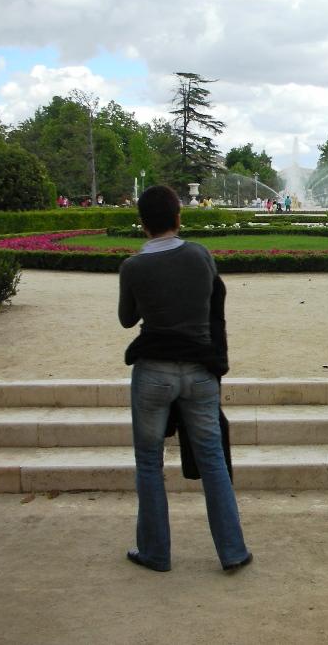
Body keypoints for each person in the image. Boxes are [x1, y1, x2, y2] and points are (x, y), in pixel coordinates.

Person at [118, 185, 252, 573]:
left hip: (153, 371)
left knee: (148, 461)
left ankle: (155, 553)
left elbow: (127, 319)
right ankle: (232, 550)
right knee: (212, 460)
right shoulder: (199, 254)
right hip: (198, 367)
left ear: (142, 224)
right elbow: (214, 302)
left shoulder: (133, 267)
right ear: (178, 218)